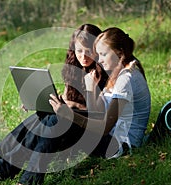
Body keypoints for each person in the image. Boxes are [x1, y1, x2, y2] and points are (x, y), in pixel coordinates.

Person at [0, 24, 108, 185]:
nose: (84, 56)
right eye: (79, 51)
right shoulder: (75, 68)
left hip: (89, 132)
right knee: (43, 115)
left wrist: (83, 95)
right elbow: (67, 98)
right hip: (71, 119)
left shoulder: (101, 73)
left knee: (53, 119)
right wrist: (42, 100)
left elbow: (97, 115)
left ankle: (6, 171)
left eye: (89, 51)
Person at [49, 27, 151, 159]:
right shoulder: (117, 74)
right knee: (48, 117)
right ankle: (18, 167)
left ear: (119, 52)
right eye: (98, 55)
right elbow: (96, 115)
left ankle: (27, 174)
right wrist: (91, 90)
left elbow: (104, 128)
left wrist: (70, 115)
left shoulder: (126, 78)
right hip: (111, 139)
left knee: (58, 120)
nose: (100, 60)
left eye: (103, 54)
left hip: (121, 146)